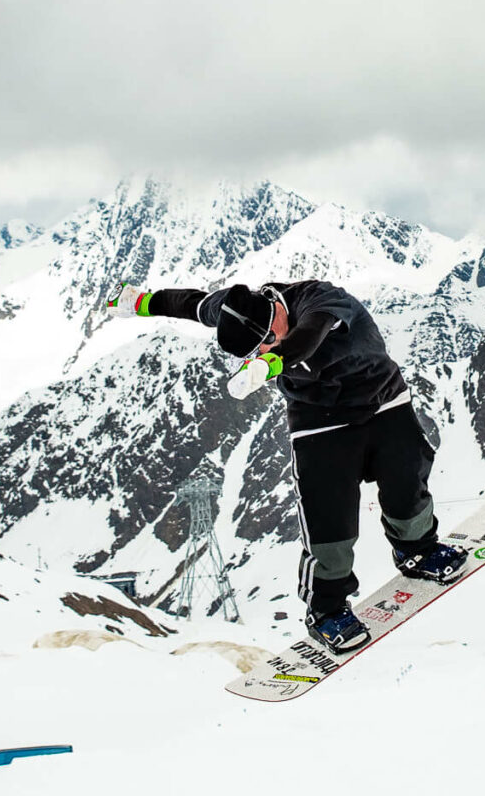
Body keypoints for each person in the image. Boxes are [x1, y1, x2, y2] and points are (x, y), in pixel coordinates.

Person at [107, 275, 466, 652]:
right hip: (319, 419)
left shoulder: (319, 300)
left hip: (383, 398)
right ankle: (326, 611)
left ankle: (417, 550)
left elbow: (308, 335)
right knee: (328, 518)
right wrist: (138, 301)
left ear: (276, 313)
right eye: (257, 348)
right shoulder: (233, 307)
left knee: (407, 480)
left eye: (268, 338)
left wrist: (270, 363)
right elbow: (188, 304)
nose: (266, 346)